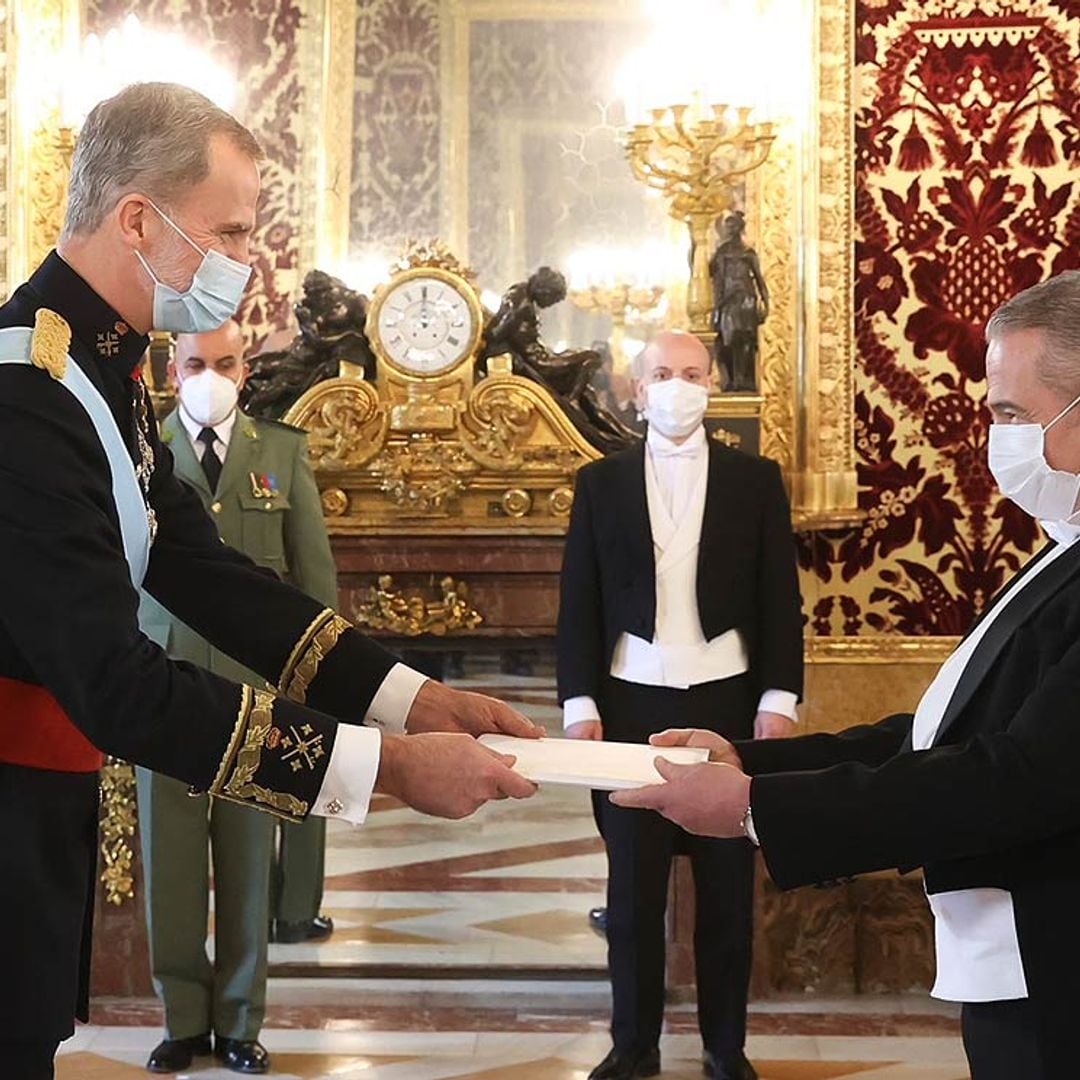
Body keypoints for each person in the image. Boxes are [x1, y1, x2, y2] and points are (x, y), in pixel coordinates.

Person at [0, 82, 539, 1080]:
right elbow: (115, 686)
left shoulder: (101, 373)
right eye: (233, 232)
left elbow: (208, 573)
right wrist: (388, 770)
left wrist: (418, 701)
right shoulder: (24, 397)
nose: (249, 266)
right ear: (137, 220)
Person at [614, 273, 1080, 1080]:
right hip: (1019, 964)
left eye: (1011, 414)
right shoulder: (1063, 547)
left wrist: (757, 808)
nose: (993, 437)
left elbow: (1020, 778)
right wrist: (747, 761)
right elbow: (947, 733)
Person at [558, 330, 803, 1080]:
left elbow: (779, 601)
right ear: (637, 391)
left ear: (713, 383)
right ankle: (633, 1047)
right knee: (631, 895)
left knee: (728, 895)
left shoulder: (755, 480)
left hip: (729, 702)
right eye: (662, 374)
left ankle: (725, 1049)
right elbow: (580, 603)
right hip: (630, 705)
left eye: (691, 373)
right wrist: (578, 704)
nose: (677, 385)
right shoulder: (599, 483)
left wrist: (778, 699)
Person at [136, 320, 339, 1074]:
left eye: (223, 363)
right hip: (164, 686)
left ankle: (242, 1020)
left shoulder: (281, 452)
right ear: (171, 367)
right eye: (194, 363)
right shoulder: (138, 447)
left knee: (251, 857)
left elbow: (313, 580)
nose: (208, 375)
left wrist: (324, 688)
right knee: (173, 857)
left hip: (261, 693)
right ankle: (182, 1019)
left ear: (244, 369)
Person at [709, 212, 768, 392]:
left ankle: (744, 381)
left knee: (745, 341)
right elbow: (709, 272)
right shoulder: (721, 252)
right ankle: (731, 380)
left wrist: (765, 302)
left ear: (739, 228)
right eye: (727, 226)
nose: (729, 230)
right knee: (727, 341)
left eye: (733, 226)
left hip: (745, 301)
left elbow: (759, 280)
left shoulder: (747, 253)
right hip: (727, 302)